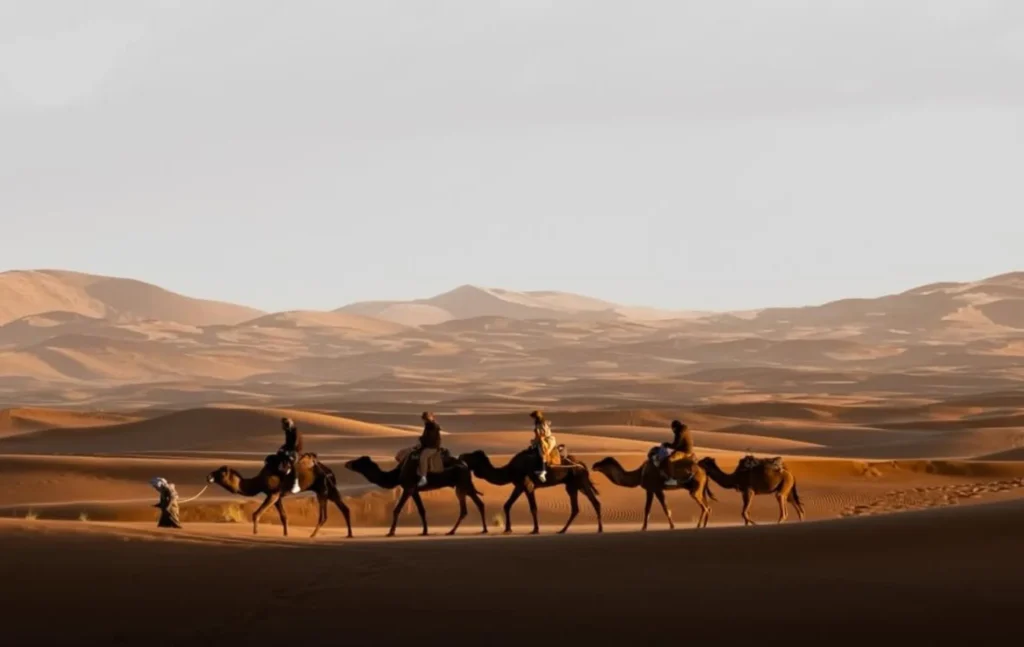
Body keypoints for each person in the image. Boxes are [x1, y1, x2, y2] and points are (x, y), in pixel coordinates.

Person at [652, 420, 695, 487]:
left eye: (673, 429)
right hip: (687, 450)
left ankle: (671, 479)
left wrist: (667, 444)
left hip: (684, 452)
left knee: (669, 460)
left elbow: (675, 445)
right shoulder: (684, 429)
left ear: (674, 428)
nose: (673, 431)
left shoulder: (680, 432)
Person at [416, 411, 443, 487]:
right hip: (428, 445)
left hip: (432, 447)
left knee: (423, 457)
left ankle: (423, 478)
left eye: (425, 418)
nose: (424, 420)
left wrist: (422, 440)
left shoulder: (432, 426)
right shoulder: (429, 426)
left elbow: (430, 439)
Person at [530, 410, 557, 483]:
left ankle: (543, 472)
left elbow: (545, 434)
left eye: (534, 417)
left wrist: (539, 438)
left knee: (542, 452)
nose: (533, 419)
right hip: (541, 440)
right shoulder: (538, 424)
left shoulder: (543, 423)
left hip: (548, 440)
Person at [277, 417, 303, 494]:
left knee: (292, 460)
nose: (282, 426)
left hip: (296, 451)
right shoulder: (288, 431)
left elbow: (295, 444)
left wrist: (287, 450)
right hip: (290, 449)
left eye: (284, 425)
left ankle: (296, 483)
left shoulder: (295, 431)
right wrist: (282, 448)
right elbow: (287, 443)